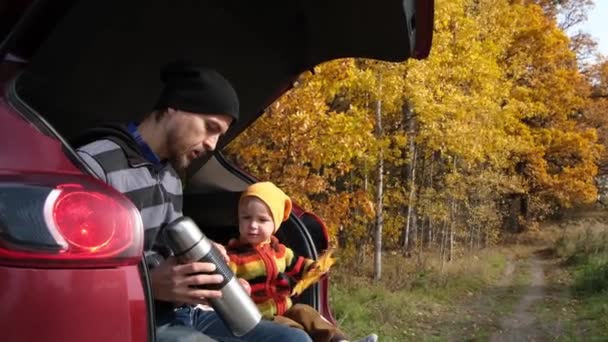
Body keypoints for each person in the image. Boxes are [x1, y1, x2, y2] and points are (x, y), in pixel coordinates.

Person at [73, 61, 312, 342]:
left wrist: (207, 263)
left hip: (183, 311)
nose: (212, 144)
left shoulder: (172, 175)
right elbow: (71, 281)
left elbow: (164, 248)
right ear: (173, 107)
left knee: (294, 340)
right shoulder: (95, 165)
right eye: (210, 128)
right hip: (129, 318)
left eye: (219, 135)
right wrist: (148, 285)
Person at [224, 181, 378, 342]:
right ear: (239, 219)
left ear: (274, 224)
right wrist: (235, 288)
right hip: (260, 318)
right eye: (246, 218)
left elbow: (299, 264)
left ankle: (340, 341)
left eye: (262, 220)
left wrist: (314, 269)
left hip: (284, 308)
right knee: (294, 330)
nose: (253, 225)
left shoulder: (280, 251)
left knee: (305, 312)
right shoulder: (233, 257)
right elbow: (223, 287)